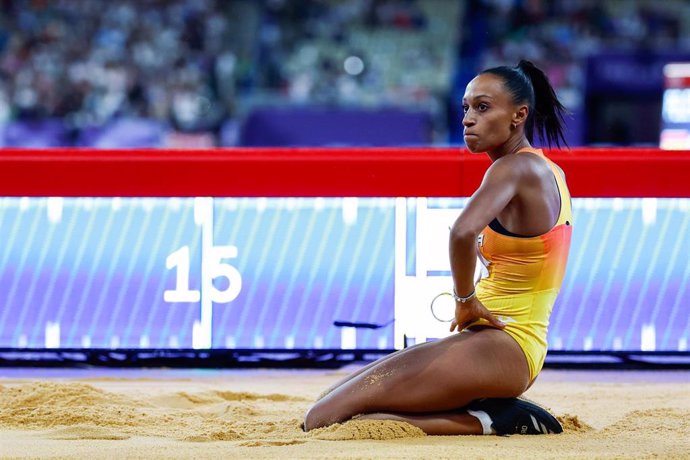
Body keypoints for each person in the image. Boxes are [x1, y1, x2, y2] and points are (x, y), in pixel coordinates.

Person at [303, 60, 573, 436]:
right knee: (334, 399)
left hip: (506, 346)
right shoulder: (544, 169)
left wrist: (465, 299)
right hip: (499, 344)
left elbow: (462, 232)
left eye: (482, 107)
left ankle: (491, 421)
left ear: (518, 116)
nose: (468, 119)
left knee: (323, 420)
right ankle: (486, 409)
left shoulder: (513, 169)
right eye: (465, 108)